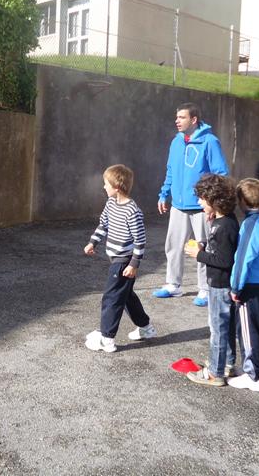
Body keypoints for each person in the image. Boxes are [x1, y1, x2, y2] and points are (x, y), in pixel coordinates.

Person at [154, 102, 229, 306]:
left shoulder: (210, 141)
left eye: (182, 117)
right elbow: (170, 170)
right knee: (173, 246)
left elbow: (221, 174)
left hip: (202, 207)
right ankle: (173, 284)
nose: (177, 121)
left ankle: (205, 289)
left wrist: (213, 204)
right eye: (177, 117)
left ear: (193, 119)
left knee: (205, 248)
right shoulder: (176, 142)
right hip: (178, 206)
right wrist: (163, 194)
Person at [84, 164, 157, 353]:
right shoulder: (111, 203)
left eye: (106, 184)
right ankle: (146, 328)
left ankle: (107, 339)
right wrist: (93, 242)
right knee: (126, 296)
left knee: (112, 298)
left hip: (124, 261)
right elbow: (103, 225)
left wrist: (134, 264)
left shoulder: (132, 211)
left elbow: (140, 240)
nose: (103, 187)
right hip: (116, 258)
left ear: (117, 187)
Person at [183, 174, 240, 386]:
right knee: (225, 327)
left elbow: (224, 260)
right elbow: (219, 248)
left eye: (202, 199)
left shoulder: (225, 226)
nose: (199, 202)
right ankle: (226, 364)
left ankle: (215, 372)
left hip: (220, 284)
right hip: (221, 284)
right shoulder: (222, 220)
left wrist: (199, 255)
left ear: (214, 200)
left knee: (218, 329)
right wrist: (203, 245)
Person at [226, 178, 259, 393]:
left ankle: (252, 375)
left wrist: (235, 287)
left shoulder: (250, 224)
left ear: (243, 201)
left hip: (251, 285)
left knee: (248, 331)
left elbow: (243, 259)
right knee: (256, 328)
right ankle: (255, 366)